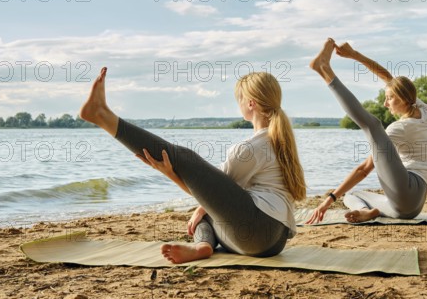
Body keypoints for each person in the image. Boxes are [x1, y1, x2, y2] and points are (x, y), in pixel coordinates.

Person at [80, 67, 306, 263]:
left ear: (250, 103)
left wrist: (171, 172)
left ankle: (102, 116)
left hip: (257, 231)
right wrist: (191, 197)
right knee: (203, 212)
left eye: (239, 99)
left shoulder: (252, 147)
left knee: (185, 160)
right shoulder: (280, 140)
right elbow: (210, 196)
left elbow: (203, 191)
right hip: (274, 243)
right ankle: (203, 246)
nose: (238, 104)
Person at [306, 39, 427, 224]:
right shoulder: (424, 110)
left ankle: (325, 71)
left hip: (408, 191)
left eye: (389, 99)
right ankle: (368, 211)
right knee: (352, 196)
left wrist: (329, 199)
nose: (385, 103)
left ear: (404, 99)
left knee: (373, 126)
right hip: (411, 208)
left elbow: (364, 170)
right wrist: (354, 54)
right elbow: (388, 78)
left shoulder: (398, 129)